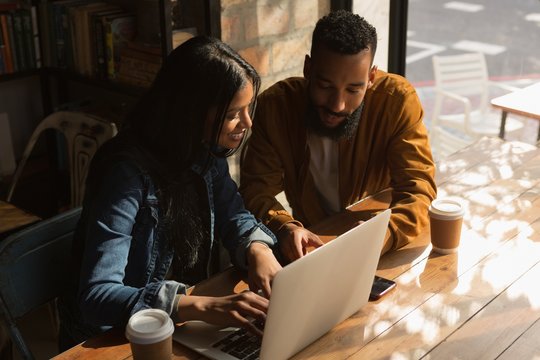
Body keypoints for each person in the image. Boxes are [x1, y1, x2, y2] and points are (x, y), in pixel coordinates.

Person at [58, 36, 282, 351]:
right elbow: (98, 296)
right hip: (117, 339)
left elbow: (235, 215)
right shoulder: (124, 174)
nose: (247, 123)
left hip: (178, 326)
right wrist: (203, 307)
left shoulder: (201, 151)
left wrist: (259, 249)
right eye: (233, 113)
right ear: (190, 112)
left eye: (248, 109)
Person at [239, 10, 437, 262]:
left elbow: (418, 189)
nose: (338, 104)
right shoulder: (277, 106)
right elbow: (255, 190)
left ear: (371, 78)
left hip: (373, 246)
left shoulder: (396, 102)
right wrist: (285, 226)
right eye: (325, 86)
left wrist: (380, 236)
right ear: (308, 69)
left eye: (354, 89)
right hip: (311, 246)